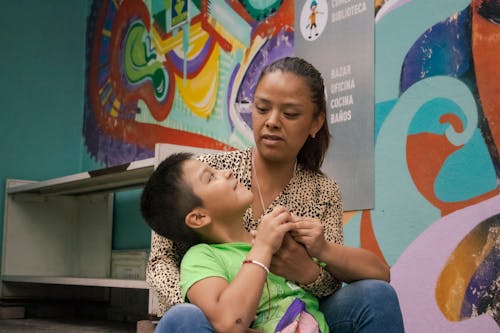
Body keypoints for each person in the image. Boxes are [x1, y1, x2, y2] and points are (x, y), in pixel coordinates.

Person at [146, 57, 405, 332]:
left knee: (375, 295)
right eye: (261, 108)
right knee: (184, 318)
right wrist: (213, 310)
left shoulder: (323, 191)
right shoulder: (212, 172)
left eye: (290, 114)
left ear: (315, 122)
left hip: (302, 315)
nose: (271, 122)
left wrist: (305, 269)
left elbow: (333, 283)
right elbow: (160, 262)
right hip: (220, 313)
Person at [141, 152, 331, 332]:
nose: (227, 172)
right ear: (199, 217)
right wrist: (263, 248)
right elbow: (229, 321)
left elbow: (339, 278)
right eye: (211, 177)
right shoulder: (201, 257)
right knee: (181, 316)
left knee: (361, 292)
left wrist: (320, 246)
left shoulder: (279, 240)